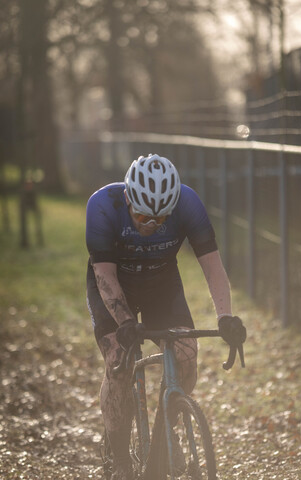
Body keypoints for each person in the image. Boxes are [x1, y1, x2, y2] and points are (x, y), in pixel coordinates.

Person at [86, 153, 246, 480]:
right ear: (129, 198)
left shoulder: (188, 203)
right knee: (119, 361)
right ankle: (120, 461)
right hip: (114, 285)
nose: (150, 225)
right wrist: (126, 323)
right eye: (143, 217)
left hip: (161, 283)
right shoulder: (103, 205)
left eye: (160, 220)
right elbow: (104, 274)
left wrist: (225, 317)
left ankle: (164, 432)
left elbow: (212, 265)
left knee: (186, 353)